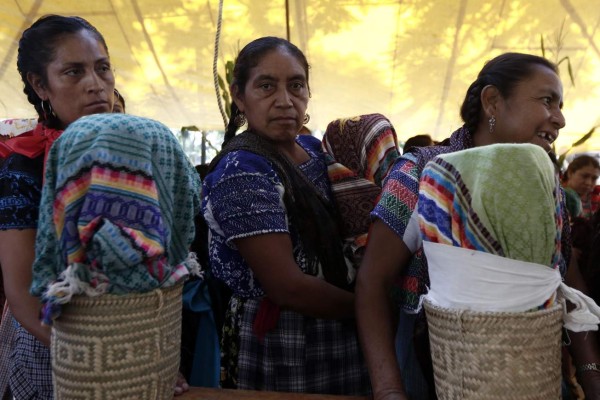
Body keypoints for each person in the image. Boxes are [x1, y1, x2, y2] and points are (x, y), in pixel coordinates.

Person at [356, 52, 600, 400]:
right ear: (492, 101)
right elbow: (372, 282)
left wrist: (591, 377)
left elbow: (567, 279)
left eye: (560, 105)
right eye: (547, 100)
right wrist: (390, 390)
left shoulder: (546, 188)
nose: (559, 119)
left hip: (534, 377)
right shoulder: (425, 175)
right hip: (437, 376)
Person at [201, 36, 370, 395]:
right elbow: (287, 287)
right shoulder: (241, 171)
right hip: (283, 338)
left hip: (342, 324)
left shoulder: (315, 151)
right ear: (239, 96)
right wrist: (373, 311)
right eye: (266, 86)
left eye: (296, 85)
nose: (284, 100)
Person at [0, 15, 114, 399]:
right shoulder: (26, 167)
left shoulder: (133, 158)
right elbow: (22, 294)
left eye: (102, 68)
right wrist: (101, 356)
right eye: (73, 72)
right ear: (40, 84)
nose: (95, 85)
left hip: (131, 336)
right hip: (51, 344)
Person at [563, 155, 600, 219]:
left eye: (594, 178)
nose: (589, 183)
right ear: (570, 173)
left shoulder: (597, 200)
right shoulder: (559, 197)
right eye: (584, 176)